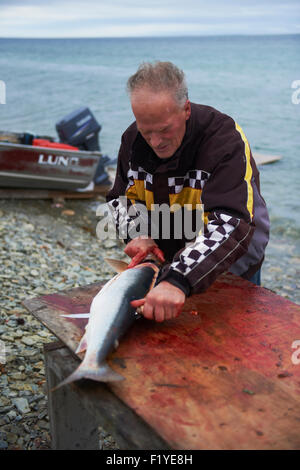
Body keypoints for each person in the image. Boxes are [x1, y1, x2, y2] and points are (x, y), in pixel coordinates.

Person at [106, 61, 270, 322]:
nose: (155, 142)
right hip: (171, 264)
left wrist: (179, 279)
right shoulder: (132, 140)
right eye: (146, 130)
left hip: (231, 265)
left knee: (233, 339)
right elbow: (119, 199)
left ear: (186, 109)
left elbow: (232, 222)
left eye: (164, 129)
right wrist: (138, 234)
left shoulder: (224, 140)